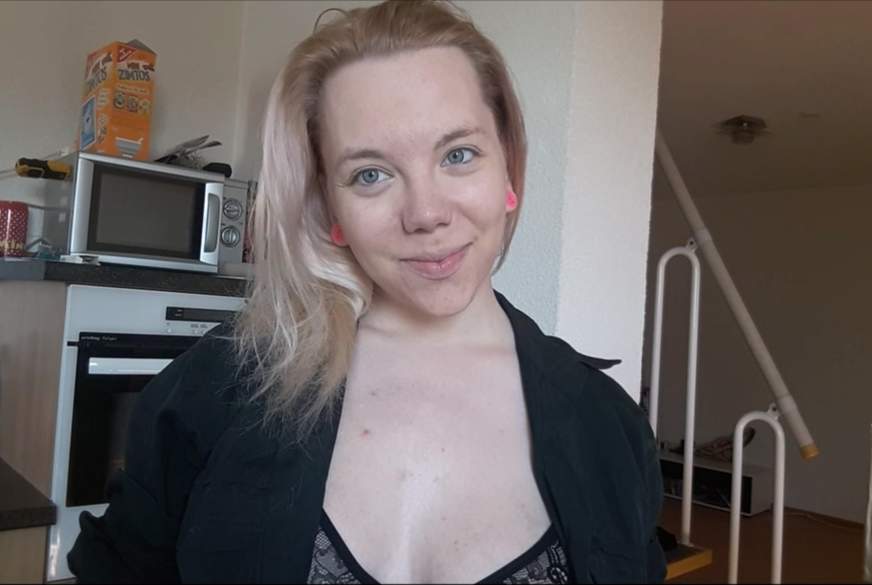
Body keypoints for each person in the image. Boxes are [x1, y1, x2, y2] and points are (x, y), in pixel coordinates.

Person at [68, 1, 666, 583]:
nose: (426, 214)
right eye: (371, 175)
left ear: (508, 168)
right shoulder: (215, 389)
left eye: (459, 155)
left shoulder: (607, 426)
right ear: (331, 208)